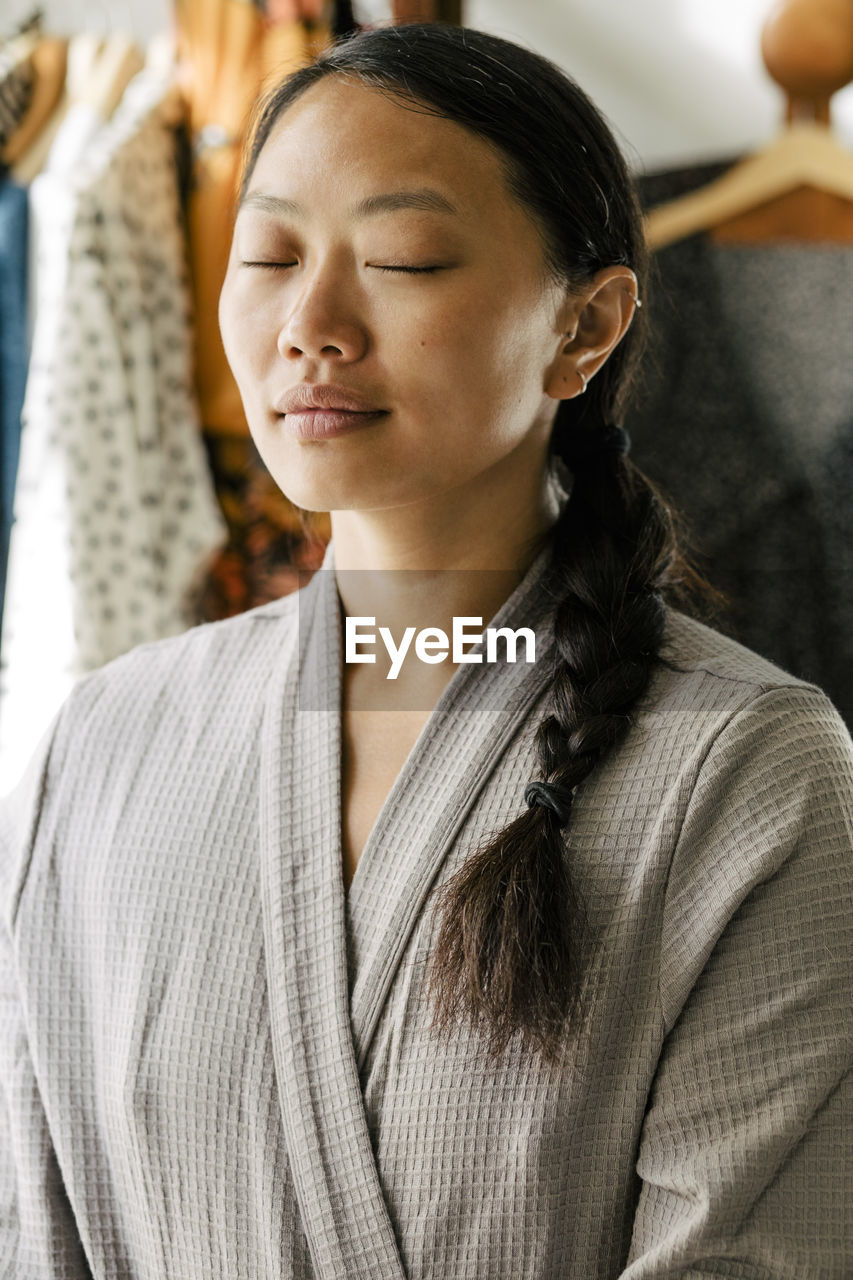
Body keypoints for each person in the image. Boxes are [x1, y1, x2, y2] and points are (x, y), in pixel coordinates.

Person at [1, 21, 851, 1280]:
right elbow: (35, 1229)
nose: (312, 323)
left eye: (401, 258)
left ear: (585, 326)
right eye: (270, 252)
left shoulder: (751, 772)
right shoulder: (112, 735)